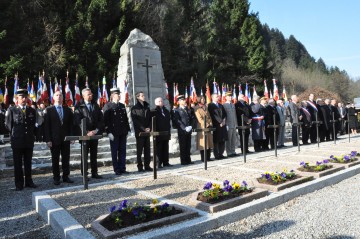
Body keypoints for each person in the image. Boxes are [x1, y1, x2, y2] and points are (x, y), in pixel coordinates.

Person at [5, 89, 37, 190]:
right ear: (17, 99)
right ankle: (19, 184)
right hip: (17, 141)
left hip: (28, 141)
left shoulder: (31, 110)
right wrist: (15, 134)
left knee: (28, 163)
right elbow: (8, 125)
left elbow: (33, 125)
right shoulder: (12, 110)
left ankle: (29, 181)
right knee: (18, 164)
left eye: (25, 97)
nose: (24, 99)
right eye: (21, 97)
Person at [44, 90, 74, 185]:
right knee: (55, 159)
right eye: (57, 95)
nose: (59, 97)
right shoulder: (49, 110)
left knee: (66, 158)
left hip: (66, 139)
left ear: (63, 98)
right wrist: (48, 140)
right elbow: (46, 126)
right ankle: (56, 177)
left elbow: (71, 125)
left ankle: (66, 176)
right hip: (54, 139)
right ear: (53, 97)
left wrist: (72, 137)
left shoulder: (67, 110)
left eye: (60, 95)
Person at [74, 88, 104, 179]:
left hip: (94, 134)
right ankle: (85, 174)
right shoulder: (79, 106)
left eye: (91, 94)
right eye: (88, 94)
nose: (91, 95)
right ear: (83, 96)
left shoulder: (95, 105)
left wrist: (96, 130)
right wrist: (86, 132)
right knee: (84, 155)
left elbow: (100, 119)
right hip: (84, 135)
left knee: (94, 155)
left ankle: (94, 172)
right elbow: (77, 121)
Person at [103, 88, 131, 175]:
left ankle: (122, 168)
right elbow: (106, 120)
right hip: (114, 133)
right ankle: (116, 169)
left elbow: (125, 119)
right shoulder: (108, 106)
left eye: (119, 94)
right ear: (112, 96)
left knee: (123, 150)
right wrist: (108, 132)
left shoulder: (122, 105)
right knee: (114, 151)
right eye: (117, 94)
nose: (119, 96)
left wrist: (128, 129)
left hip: (123, 132)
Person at [131, 91, 153, 172]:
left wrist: (149, 127)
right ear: (138, 97)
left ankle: (147, 165)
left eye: (144, 95)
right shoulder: (134, 108)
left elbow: (150, 119)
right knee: (139, 150)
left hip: (147, 131)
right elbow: (135, 121)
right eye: (142, 96)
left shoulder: (147, 107)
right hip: (140, 132)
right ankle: (140, 166)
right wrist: (143, 128)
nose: (144, 97)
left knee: (147, 149)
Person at [152, 97, 172, 168]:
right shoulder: (154, 111)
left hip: (166, 132)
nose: (161, 102)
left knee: (165, 148)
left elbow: (168, 122)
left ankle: (166, 162)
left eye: (161, 101)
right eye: (159, 101)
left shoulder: (166, 111)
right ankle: (158, 163)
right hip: (159, 133)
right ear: (156, 103)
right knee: (159, 149)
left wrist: (169, 131)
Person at [174, 95, 194, 165]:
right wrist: (184, 127)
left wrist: (191, 126)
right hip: (182, 130)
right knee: (183, 145)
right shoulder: (177, 110)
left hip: (189, 129)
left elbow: (191, 118)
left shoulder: (187, 109)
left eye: (184, 99)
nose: (184, 101)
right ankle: (183, 160)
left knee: (188, 145)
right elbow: (178, 120)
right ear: (179, 101)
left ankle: (188, 159)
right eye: (182, 100)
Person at [208, 93, 228, 159]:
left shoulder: (220, 105)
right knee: (216, 140)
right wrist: (220, 122)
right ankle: (216, 155)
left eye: (218, 96)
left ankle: (221, 154)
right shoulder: (210, 105)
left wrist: (224, 121)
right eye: (216, 97)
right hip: (216, 125)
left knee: (223, 139)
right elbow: (213, 115)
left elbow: (224, 114)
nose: (218, 98)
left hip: (223, 125)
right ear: (212, 98)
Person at [194, 96, 213, 162]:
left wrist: (210, 123)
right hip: (201, 127)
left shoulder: (205, 107)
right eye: (202, 99)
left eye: (204, 99)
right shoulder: (197, 108)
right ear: (199, 100)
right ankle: (203, 158)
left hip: (208, 127)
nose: (203, 100)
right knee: (203, 143)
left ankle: (208, 157)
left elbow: (209, 116)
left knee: (209, 142)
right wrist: (206, 124)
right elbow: (199, 118)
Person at [223, 91, 238, 157]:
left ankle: (233, 151)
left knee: (233, 139)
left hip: (234, 124)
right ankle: (229, 152)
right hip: (228, 124)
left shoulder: (233, 104)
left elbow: (235, 115)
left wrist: (236, 124)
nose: (230, 97)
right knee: (228, 139)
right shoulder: (224, 105)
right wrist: (226, 125)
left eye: (230, 96)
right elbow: (224, 116)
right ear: (225, 97)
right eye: (228, 96)